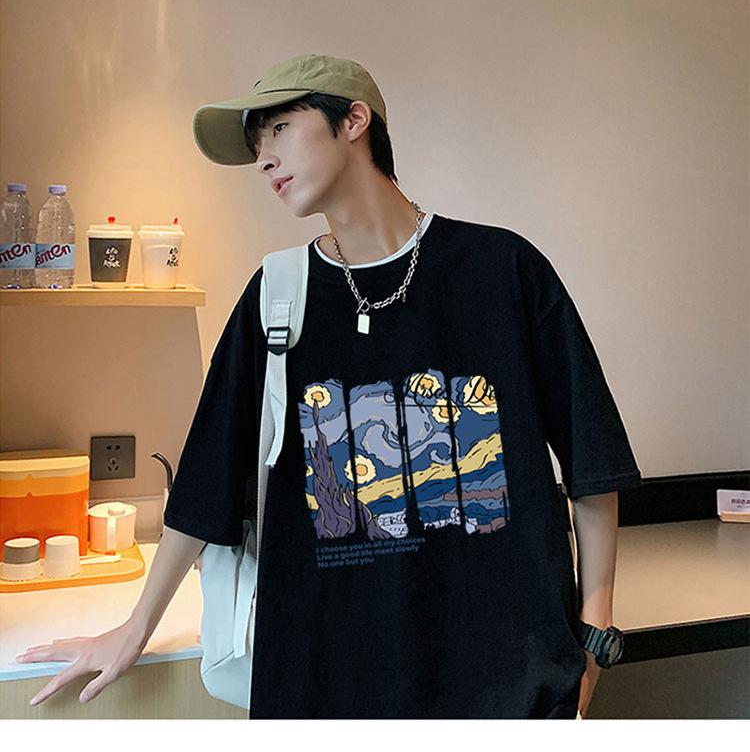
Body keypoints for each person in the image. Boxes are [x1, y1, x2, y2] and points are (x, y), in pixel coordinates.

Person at [16, 53, 641, 718]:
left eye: (280, 129)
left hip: (502, 681)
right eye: (257, 144)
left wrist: (595, 631)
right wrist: (135, 627)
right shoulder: (278, 296)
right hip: (330, 677)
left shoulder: (501, 270)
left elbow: (592, 458)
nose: (263, 159)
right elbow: (206, 481)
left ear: (354, 120)